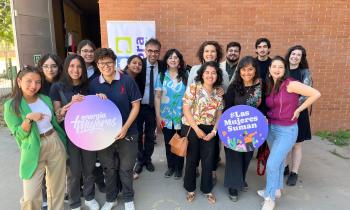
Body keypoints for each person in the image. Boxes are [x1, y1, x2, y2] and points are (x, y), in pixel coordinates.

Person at [258, 56, 320, 210]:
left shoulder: (291, 84)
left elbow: (315, 93)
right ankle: (277, 189)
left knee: (272, 164)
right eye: (274, 66)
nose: (277, 69)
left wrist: (299, 109)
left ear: (284, 69)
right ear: (269, 69)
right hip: (271, 129)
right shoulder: (269, 85)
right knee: (277, 161)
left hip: (287, 130)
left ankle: (270, 198)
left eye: (280, 67)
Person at [4, 65, 67, 210]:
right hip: (33, 147)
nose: (34, 86)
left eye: (38, 82)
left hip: (54, 141)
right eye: (29, 81)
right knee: (31, 196)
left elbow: (52, 121)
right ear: (19, 82)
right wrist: (29, 119)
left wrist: (61, 113)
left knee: (57, 188)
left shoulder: (44, 98)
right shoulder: (11, 106)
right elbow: (19, 134)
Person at [89, 48, 141, 210]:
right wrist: (96, 100)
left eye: (109, 62)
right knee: (109, 169)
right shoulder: (94, 84)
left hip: (128, 133)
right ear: (97, 65)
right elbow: (90, 110)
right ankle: (111, 199)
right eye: (102, 63)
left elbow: (135, 106)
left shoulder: (127, 81)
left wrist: (125, 128)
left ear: (115, 62)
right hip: (105, 136)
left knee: (126, 168)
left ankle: (128, 198)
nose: (106, 66)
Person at [49, 55, 100, 210]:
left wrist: (100, 98)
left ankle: (90, 197)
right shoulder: (57, 87)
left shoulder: (89, 87)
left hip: (88, 134)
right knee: (74, 171)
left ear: (83, 69)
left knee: (89, 168)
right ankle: (75, 203)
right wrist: (72, 103)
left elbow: (95, 111)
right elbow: (57, 116)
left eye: (79, 66)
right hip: (69, 136)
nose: (75, 70)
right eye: (72, 66)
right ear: (66, 67)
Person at [182, 61, 224, 205]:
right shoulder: (193, 88)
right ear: (202, 74)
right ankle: (190, 188)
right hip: (192, 127)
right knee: (192, 159)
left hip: (210, 130)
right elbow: (186, 110)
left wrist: (214, 131)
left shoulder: (218, 92)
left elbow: (219, 114)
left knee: (208, 160)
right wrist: (196, 128)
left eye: (213, 72)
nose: (210, 75)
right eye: (207, 72)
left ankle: (207, 189)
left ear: (217, 75)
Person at [224, 56, 262, 202]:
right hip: (233, 129)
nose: (247, 72)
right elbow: (227, 108)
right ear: (239, 71)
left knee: (246, 156)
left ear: (255, 70)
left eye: (250, 69)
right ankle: (233, 186)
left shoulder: (260, 85)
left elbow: (262, 106)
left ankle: (241, 179)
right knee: (234, 157)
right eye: (244, 69)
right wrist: (225, 133)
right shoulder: (234, 87)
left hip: (252, 129)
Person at [187, 41, 226, 183]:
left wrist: (222, 91)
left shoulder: (223, 71)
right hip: (195, 118)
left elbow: (224, 90)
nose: (210, 54)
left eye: (213, 51)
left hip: (214, 116)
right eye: (206, 51)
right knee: (193, 153)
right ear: (202, 54)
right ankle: (194, 171)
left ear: (217, 54)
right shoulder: (195, 70)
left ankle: (211, 173)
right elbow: (189, 95)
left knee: (212, 150)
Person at [77, 39, 106, 193]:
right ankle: (82, 184)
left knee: (97, 152)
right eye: (84, 51)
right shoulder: (74, 69)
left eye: (90, 51)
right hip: (80, 117)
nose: (88, 54)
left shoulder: (99, 70)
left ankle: (100, 181)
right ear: (79, 53)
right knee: (82, 153)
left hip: (96, 116)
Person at [154, 49, 187, 179]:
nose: (173, 59)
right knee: (168, 143)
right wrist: (158, 115)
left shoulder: (186, 75)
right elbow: (157, 97)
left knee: (180, 142)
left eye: (176, 57)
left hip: (182, 116)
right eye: (170, 57)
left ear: (179, 60)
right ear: (166, 61)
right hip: (165, 116)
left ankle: (179, 169)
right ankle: (171, 167)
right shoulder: (162, 76)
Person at [134, 38, 166, 175]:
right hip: (139, 106)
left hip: (154, 107)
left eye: (156, 51)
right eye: (150, 51)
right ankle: (139, 160)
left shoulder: (163, 66)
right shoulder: (138, 64)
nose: (153, 54)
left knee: (150, 135)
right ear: (145, 51)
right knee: (138, 135)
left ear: (159, 52)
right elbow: (125, 72)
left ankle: (148, 159)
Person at [37, 53, 63, 209]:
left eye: (54, 66)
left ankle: (58, 195)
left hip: (59, 128)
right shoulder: (37, 84)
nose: (50, 69)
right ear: (41, 67)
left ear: (59, 68)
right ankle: (45, 197)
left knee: (58, 166)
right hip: (41, 130)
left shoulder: (62, 83)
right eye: (46, 66)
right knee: (41, 166)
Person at [284, 45, 313, 186]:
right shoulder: (283, 69)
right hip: (282, 113)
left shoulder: (304, 72)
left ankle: (294, 172)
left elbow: (307, 94)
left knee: (296, 145)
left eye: (298, 55)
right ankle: (284, 167)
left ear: (301, 58)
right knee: (284, 143)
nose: (295, 56)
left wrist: (293, 107)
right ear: (289, 55)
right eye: (293, 53)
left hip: (298, 113)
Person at [255, 37, 272, 159]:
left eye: (264, 47)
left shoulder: (273, 63)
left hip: (268, 98)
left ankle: (263, 153)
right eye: (259, 47)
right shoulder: (252, 63)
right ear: (256, 49)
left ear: (268, 49)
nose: (262, 49)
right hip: (254, 99)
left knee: (266, 126)